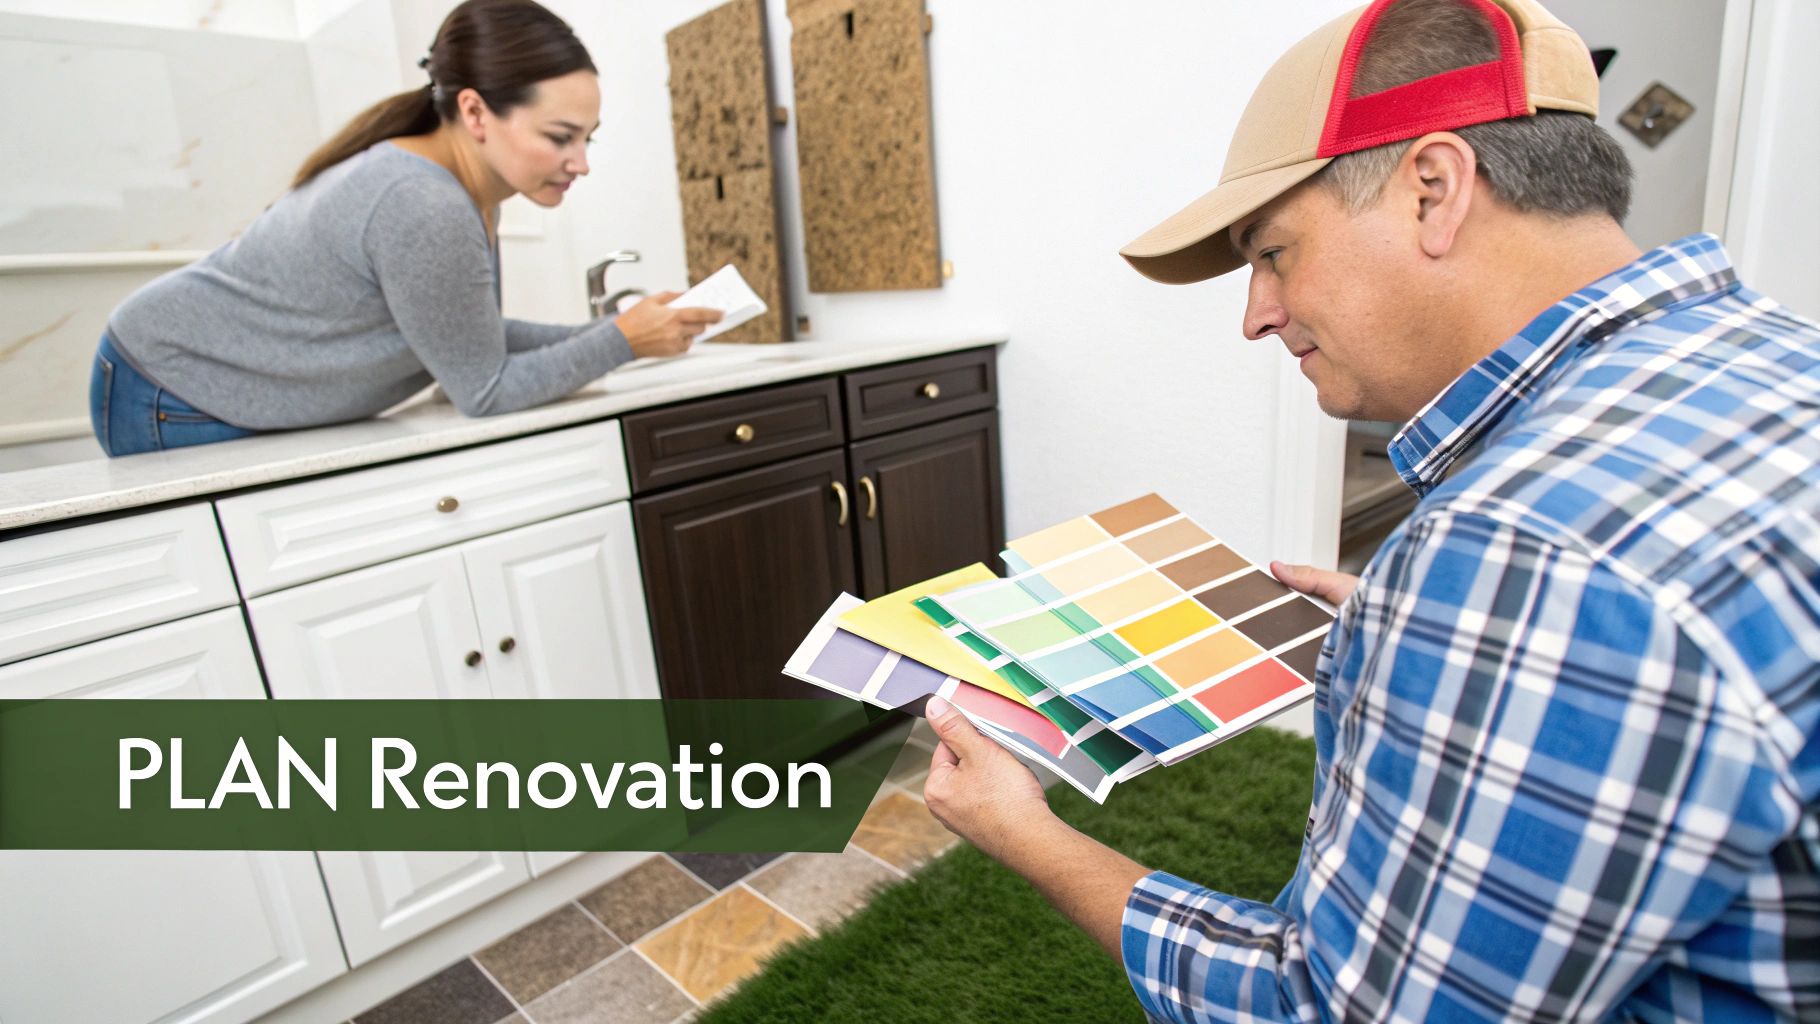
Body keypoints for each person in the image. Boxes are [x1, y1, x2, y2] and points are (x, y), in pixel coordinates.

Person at [921, 0, 1820, 1020]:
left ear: (1433, 189)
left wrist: (1025, 834)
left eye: (1270, 253)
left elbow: (1334, 1006)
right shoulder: (1770, 362)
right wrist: (1424, 643)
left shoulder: (1521, 556)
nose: (1255, 314)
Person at [89, 0, 719, 458]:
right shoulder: (423, 201)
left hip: (168, 365)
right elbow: (484, 388)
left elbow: (464, 338)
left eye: (588, 138)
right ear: (474, 111)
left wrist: (615, 329)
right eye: (560, 137)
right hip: (170, 381)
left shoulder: (466, 189)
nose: (581, 162)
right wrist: (623, 341)